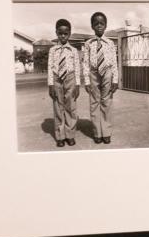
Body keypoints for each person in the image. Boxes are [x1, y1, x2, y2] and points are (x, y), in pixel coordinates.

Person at [81, 11, 119, 144]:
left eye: (101, 23)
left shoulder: (110, 43)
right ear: (92, 26)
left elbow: (114, 62)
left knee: (106, 102)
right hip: (93, 73)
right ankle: (97, 132)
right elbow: (85, 63)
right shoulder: (88, 43)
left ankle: (106, 132)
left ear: (106, 25)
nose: (99, 26)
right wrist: (86, 80)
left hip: (107, 72)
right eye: (96, 23)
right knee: (94, 102)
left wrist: (115, 80)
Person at [46, 18, 80, 147]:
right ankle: (60, 136)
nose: (63, 36)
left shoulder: (73, 50)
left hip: (70, 78)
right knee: (58, 107)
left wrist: (77, 85)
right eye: (60, 33)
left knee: (70, 107)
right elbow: (50, 67)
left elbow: (77, 68)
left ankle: (70, 135)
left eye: (66, 33)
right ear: (56, 33)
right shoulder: (53, 50)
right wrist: (50, 85)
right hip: (56, 78)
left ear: (69, 33)